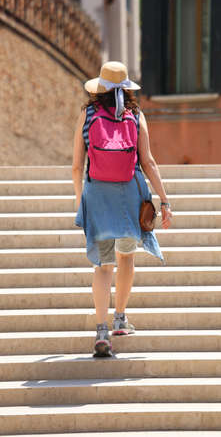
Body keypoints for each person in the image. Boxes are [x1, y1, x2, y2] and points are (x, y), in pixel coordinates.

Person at [72, 61, 172, 357]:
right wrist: (164, 200)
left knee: (103, 267)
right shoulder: (135, 115)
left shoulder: (87, 114)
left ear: (99, 88)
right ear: (127, 88)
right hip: (129, 197)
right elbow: (148, 161)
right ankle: (120, 319)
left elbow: (77, 166)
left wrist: (82, 201)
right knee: (126, 259)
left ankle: (101, 331)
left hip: (98, 197)